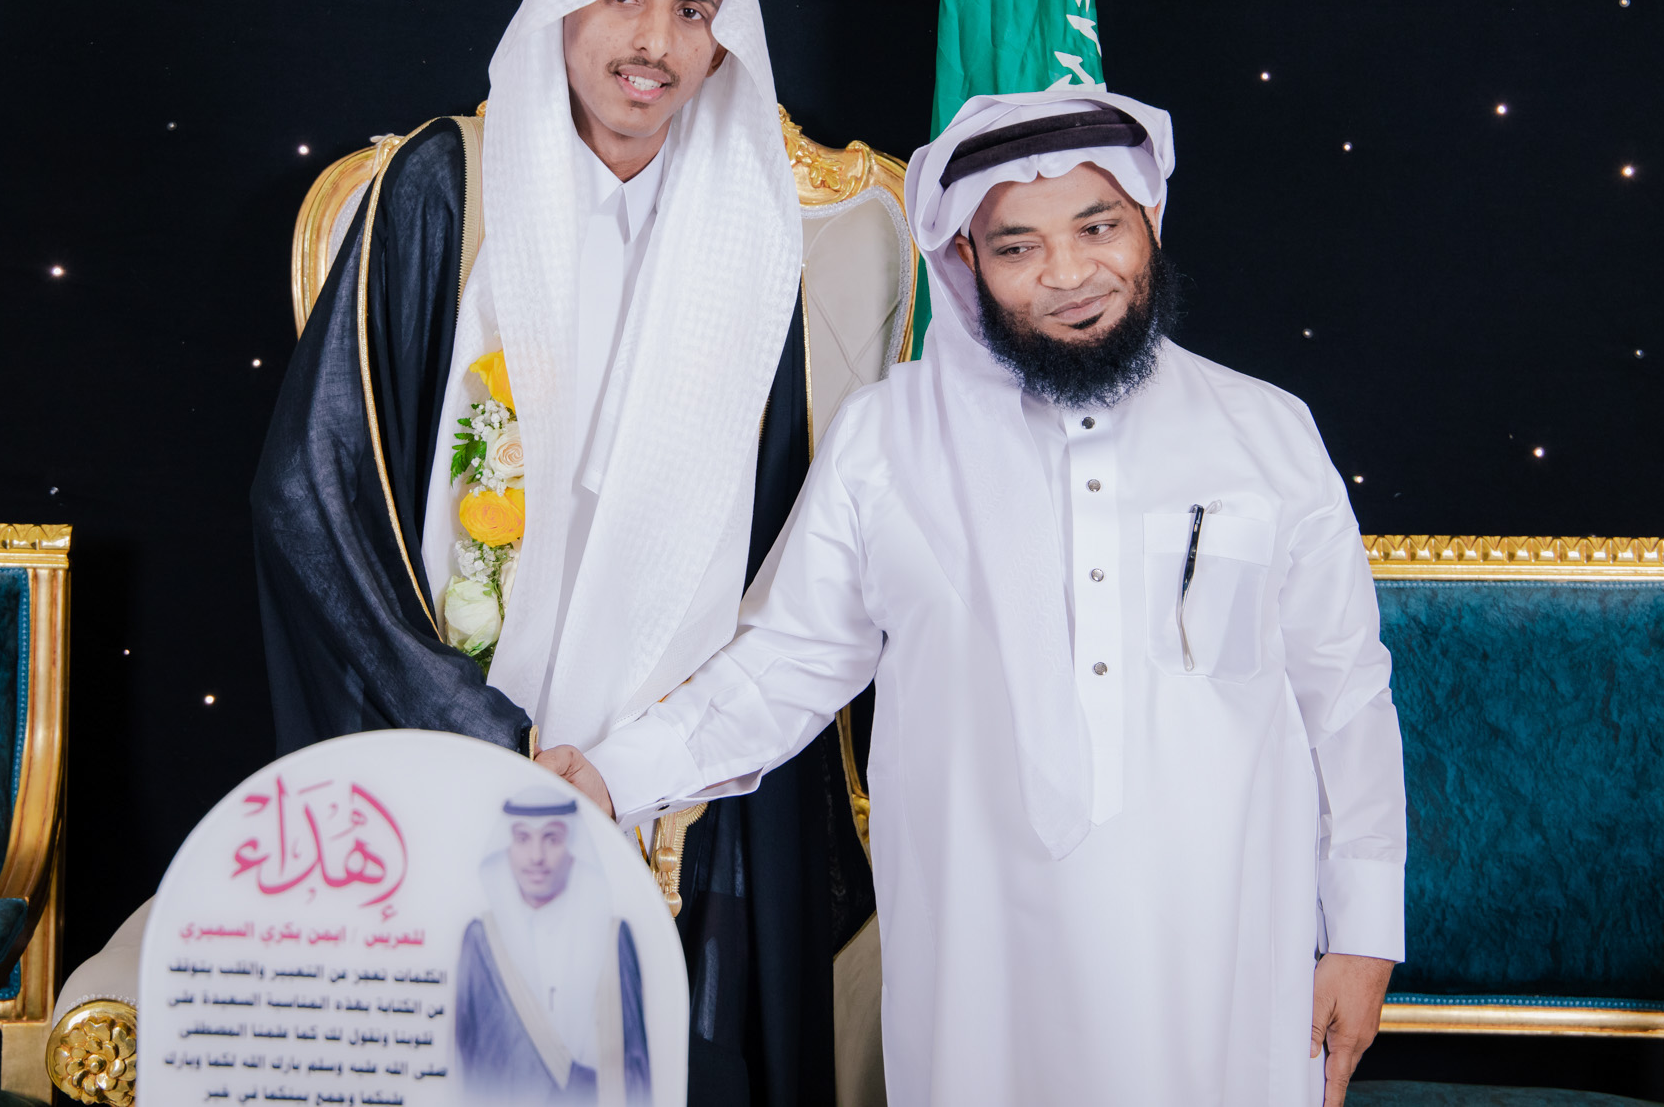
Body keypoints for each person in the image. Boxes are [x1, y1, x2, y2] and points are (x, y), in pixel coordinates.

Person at [540, 89, 1409, 1106]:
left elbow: (1343, 694)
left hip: (1227, 952)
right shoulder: (888, 442)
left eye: (1097, 228)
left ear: (1149, 221)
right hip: (985, 964)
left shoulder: (1267, 431)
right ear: (964, 260)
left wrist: (1362, 933)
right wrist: (613, 774)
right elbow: (785, 666)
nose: (1068, 274)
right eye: (1017, 247)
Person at [250, 0, 865, 1102]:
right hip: (459, 719)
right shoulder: (449, 185)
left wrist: (640, 760)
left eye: (692, 11)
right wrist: (475, 729)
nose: (653, 43)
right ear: (560, 2)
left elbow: (781, 532)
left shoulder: (752, 230)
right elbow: (313, 492)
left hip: (673, 781)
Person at [458, 790, 650, 1105]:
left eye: (552, 839)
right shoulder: (481, 939)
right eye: (522, 838)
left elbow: (637, 1071)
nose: (536, 856)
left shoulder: (612, 938)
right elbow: (462, 1060)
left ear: (573, 847)